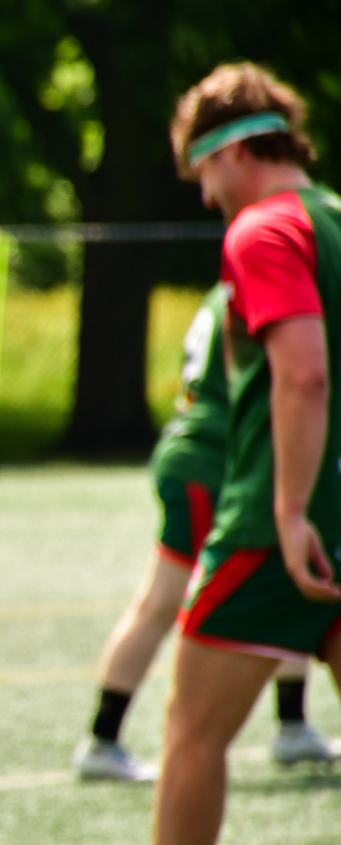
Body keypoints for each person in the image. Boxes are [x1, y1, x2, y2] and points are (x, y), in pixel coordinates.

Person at [63, 62, 341, 845]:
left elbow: (302, 373)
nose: (204, 194)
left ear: (229, 150)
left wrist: (292, 506)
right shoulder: (338, 217)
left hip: (279, 529)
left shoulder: (266, 229)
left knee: (192, 731)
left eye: (200, 172)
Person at [73, 281, 333, 782]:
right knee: (161, 601)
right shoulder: (276, 289)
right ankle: (102, 739)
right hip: (215, 460)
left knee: (291, 579)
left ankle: (294, 725)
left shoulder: (238, 287)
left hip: (217, 457)